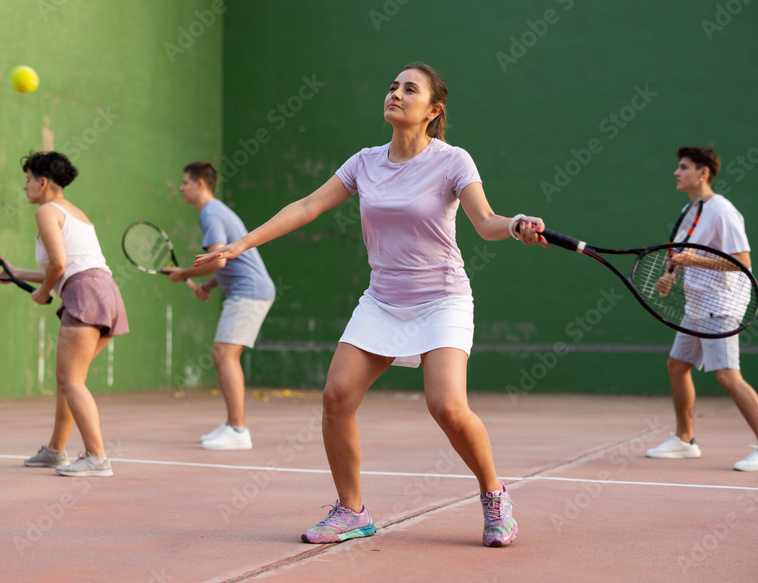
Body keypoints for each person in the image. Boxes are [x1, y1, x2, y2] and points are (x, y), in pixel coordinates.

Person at [194, 62, 547, 546]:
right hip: (382, 300)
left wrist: (516, 223)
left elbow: (485, 221)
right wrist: (241, 244)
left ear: (433, 110)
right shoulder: (364, 162)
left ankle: (493, 493)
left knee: (446, 405)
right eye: (392, 87)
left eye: (409, 89)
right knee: (336, 397)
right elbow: (305, 207)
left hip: (442, 298)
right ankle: (351, 511)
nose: (395, 94)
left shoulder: (453, 161)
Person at [646, 146, 758, 472]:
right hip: (696, 304)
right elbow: (680, 253)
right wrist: (670, 276)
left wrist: (692, 260)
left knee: (726, 375)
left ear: (703, 172)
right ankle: (685, 440)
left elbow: (742, 261)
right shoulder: (690, 210)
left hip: (721, 305)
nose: (676, 172)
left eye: (683, 167)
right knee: (677, 366)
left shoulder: (723, 211)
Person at [0, 151, 129, 477]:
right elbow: (70, 266)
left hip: (85, 294)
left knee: (70, 381)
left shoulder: (45, 212)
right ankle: (56, 450)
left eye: (28, 180)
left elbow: (58, 264)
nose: (25, 186)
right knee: (70, 380)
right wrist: (17, 273)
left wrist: (43, 294)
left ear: (43, 182)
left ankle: (97, 457)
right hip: (106, 292)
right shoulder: (75, 212)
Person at [164, 162, 276, 450]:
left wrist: (184, 274)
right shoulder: (218, 211)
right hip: (248, 289)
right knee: (223, 354)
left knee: (224, 354)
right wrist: (208, 286)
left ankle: (238, 430)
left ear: (200, 184)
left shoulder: (211, 213)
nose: (181, 188)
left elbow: (219, 259)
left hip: (249, 291)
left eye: (185, 182)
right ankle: (232, 425)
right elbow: (229, 262)